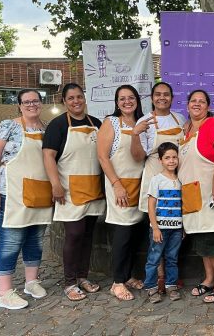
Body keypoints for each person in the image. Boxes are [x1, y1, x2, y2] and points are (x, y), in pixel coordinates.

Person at [0, 89, 53, 309]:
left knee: (36, 240)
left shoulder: (46, 128)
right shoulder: (8, 126)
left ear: (41, 103)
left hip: (40, 192)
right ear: (19, 105)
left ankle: (31, 282)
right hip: (12, 193)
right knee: (10, 242)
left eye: (35, 101)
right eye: (27, 102)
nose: (32, 105)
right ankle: (4, 292)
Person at [43, 83, 105, 301]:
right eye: (71, 98)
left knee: (88, 236)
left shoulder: (96, 124)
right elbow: (48, 156)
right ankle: (69, 282)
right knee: (74, 234)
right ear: (64, 102)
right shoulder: (57, 125)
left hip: (94, 187)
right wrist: (55, 184)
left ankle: (82, 277)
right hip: (69, 189)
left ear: (84, 99)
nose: (76, 101)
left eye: (79, 97)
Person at [178, 90, 214, 303]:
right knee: (200, 235)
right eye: (193, 100)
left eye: (202, 101)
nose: (197, 104)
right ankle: (209, 278)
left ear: (208, 107)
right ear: (187, 106)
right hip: (194, 192)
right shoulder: (185, 132)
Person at [96, 85, 146, 301]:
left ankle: (127, 275)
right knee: (123, 235)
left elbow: (140, 156)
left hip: (139, 185)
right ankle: (117, 282)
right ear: (117, 102)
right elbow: (103, 157)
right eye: (122, 98)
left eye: (131, 97)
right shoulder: (111, 122)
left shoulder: (142, 123)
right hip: (120, 186)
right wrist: (116, 184)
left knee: (134, 234)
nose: (127, 102)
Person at [137, 82, 186, 292]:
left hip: (176, 179)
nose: (162, 98)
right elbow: (138, 154)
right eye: (158, 94)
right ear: (152, 97)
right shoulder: (144, 121)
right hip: (154, 178)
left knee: (173, 229)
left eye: (166, 94)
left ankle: (169, 278)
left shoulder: (180, 119)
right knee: (157, 232)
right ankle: (159, 277)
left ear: (172, 98)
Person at [145, 142, 184, 303]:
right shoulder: (157, 180)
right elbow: (151, 205)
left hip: (176, 228)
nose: (171, 161)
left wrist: (183, 228)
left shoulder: (181, 180)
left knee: (172, 258)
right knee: (154, 258)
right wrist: (155, 228)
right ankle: (151, 287)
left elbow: (183, 205)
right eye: (167, 158)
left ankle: (171, 285)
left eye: (174, 157)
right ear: (160, 160)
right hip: (160, 228)